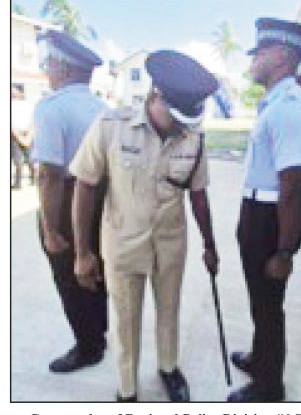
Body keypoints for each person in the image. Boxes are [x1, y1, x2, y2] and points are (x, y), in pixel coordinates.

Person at [70, 50, 219, 402]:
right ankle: (127, 389)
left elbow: (198, 195)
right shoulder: (110, 127)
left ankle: (169, 368)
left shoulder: (193, 138)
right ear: (155, 96)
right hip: (123, 245)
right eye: (177, 116)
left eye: (190, 118)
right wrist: (82, 252)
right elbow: (86, 186)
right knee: (126, 321)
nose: (184, 125)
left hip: (171, 243)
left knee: (170, 310)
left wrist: (210, 245)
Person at [227, 18, 301, 402]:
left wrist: (284, 251)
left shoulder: (291, 107)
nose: (253, 59)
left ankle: (269, 386)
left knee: (268, 306)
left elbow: (293, 187)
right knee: (259, 298)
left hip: (271, 220)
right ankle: (260, 357)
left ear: (281, 56)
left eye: (260, 52)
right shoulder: (277, 103)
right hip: (258, 213)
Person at [30, 30, 108, 374]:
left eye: (49, 62)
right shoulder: (104, 110)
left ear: (64, 68)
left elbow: (48, 174)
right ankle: (99, 335)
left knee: (68, 272)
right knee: (96, 268)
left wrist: (49, 229)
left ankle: (88, 347)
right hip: (103, 201)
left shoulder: (51, 108)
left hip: (65, 202)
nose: (47, 68)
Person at [11, 84, 36, 188]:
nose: (13, 93)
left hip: (27, 134)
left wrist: (30, 133)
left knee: (30, 158)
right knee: (17, 160)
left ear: (21, 92)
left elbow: (34, 119)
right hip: (14, 134)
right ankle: (18, 182)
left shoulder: (29, 105)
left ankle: (34, 178)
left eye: (14, 91)